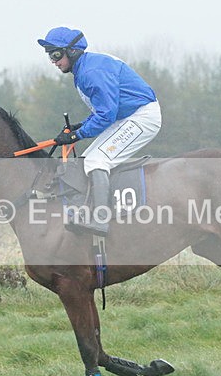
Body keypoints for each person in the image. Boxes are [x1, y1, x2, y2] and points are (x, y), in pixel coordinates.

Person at [37, 26, 162, 236]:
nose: (53, 61)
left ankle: (101, 220)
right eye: (50, 55)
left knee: (96, 161)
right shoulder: (84, 69)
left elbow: (106, 114)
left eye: (56, 54)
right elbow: (103, 111)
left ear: (73, 51)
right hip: (126, 116)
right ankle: (91, 212)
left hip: (142, 117)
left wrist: (77, 135)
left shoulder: (90, 72)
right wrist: (80, 126)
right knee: (87, 161)